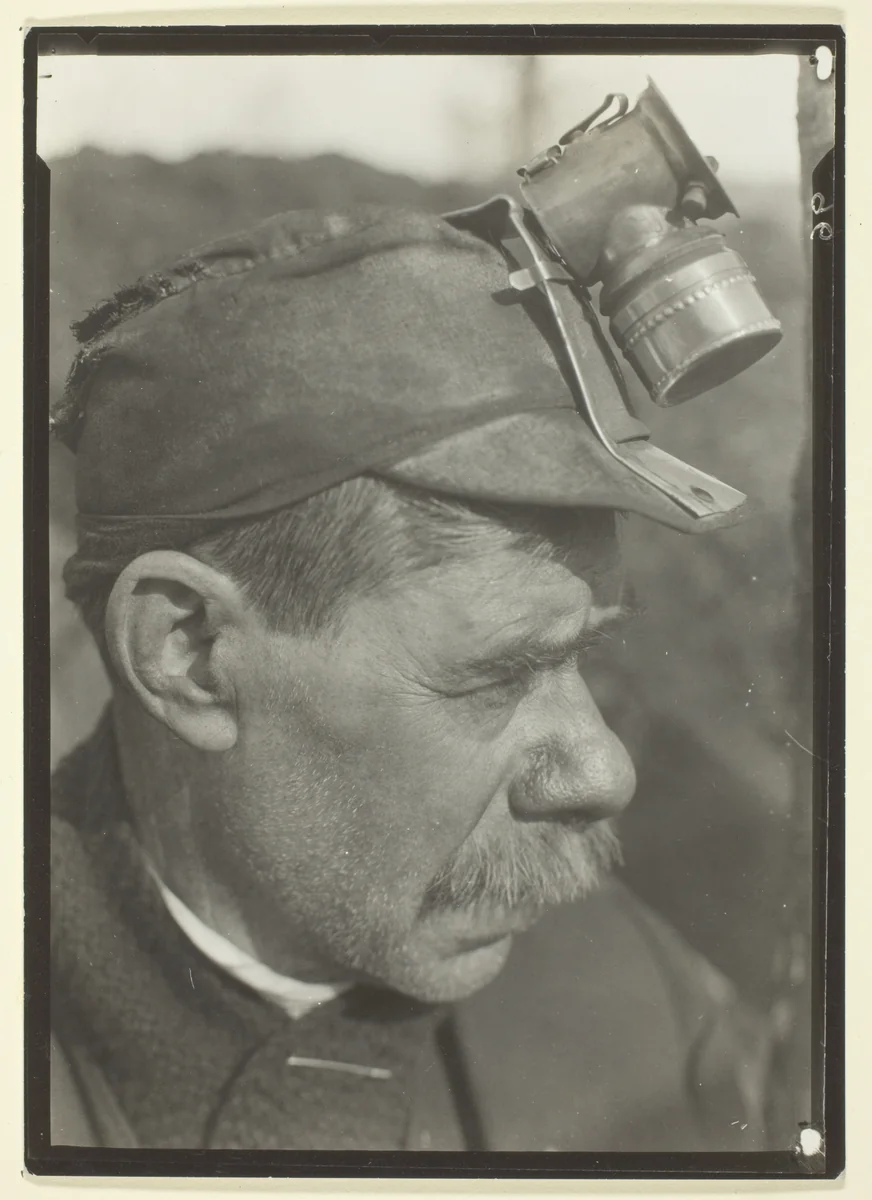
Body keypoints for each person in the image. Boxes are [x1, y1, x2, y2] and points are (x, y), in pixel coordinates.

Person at [49, 205, 773, 1153]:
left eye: (581, 653)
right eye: (493, 677)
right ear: (187, 654)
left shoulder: (634, 1007)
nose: (605, 772)